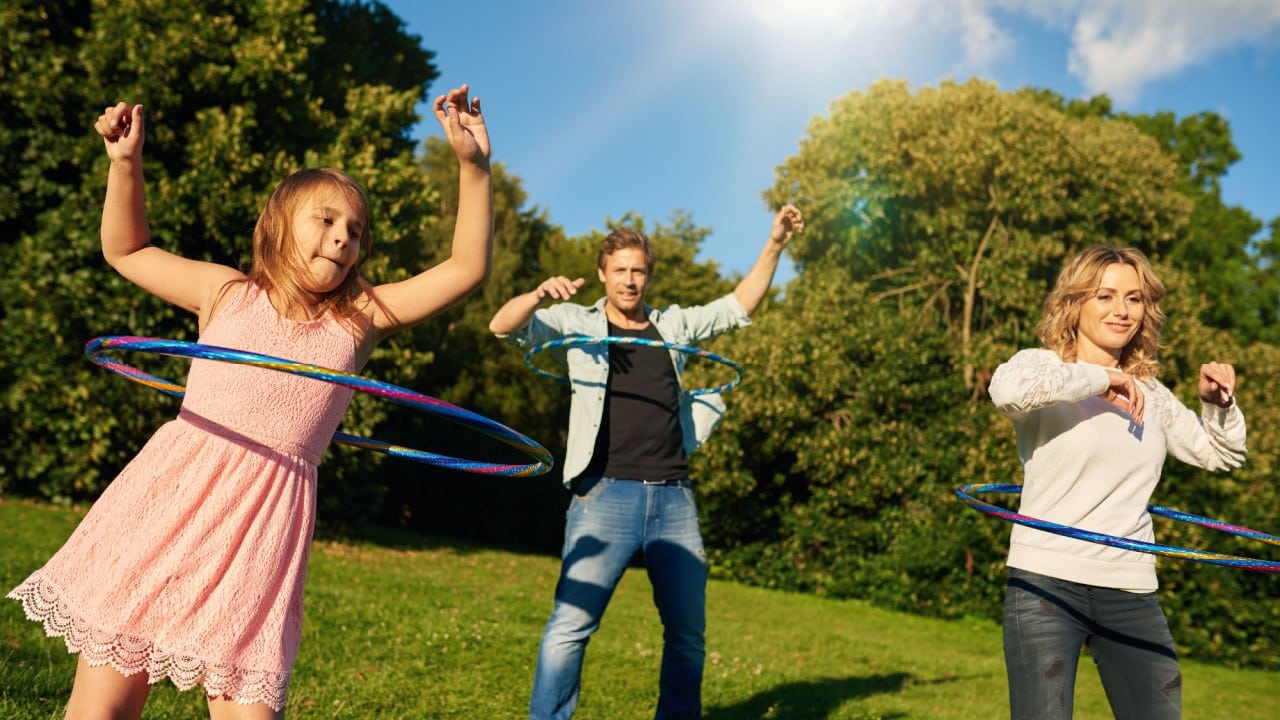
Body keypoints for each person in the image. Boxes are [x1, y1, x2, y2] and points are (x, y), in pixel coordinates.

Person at [7, 84, 492, 720]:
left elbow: (464, 269)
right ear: (277, 224)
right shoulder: (226, 293)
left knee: (247, 707)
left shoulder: (359, 319)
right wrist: (125, 164)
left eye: (356, 231)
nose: (344, 238)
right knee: (103, 708)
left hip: (261, 530)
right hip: (172, 503)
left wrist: (473, 167)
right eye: (326, 219)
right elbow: (127, 250)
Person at [488, 205, 804, 719]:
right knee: (570, 628)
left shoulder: (673, 325)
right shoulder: (576, 321)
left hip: (674, 498)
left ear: (648, 275)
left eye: (638, 270)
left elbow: (738, 306)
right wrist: (537, 296)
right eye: (620, 270)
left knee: (687, 637)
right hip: (604, 494)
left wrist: (775, 244)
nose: (629, 280)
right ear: (602, 274)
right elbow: (502, 327)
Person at [987, 245, 1247, 720]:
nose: (1122, 310)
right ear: (1076, 302)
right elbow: (1006, 392)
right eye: (1104, 295)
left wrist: (1218, 406)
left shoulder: (1153, 394)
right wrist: (1099, 378)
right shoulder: (1044, 368)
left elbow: (1223, 454)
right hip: (1046, 584)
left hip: (1130, 590)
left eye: (1134, 298)